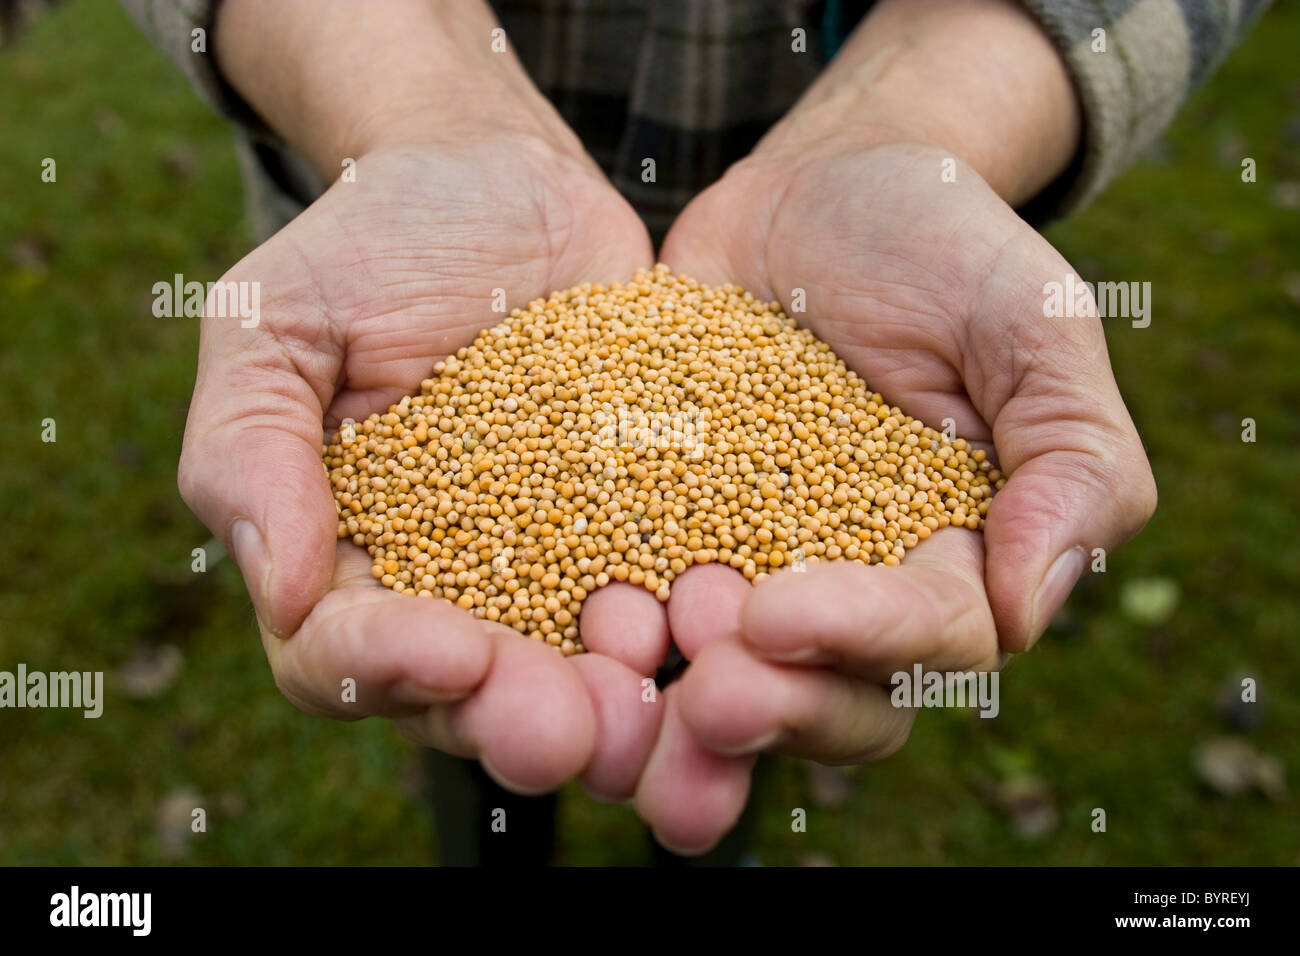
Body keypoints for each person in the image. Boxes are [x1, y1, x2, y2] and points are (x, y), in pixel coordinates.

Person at [121, 0, 1267, 864]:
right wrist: (415, 103)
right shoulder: (432, 403)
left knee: (749, 675)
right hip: (394, 263)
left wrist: (930, 119)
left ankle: (710, 836)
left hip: (845, 263)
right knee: (470, 692)